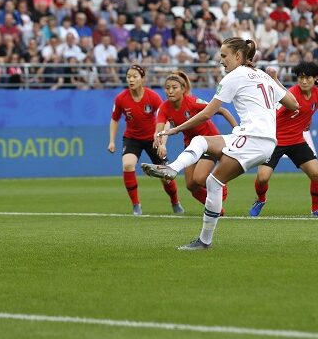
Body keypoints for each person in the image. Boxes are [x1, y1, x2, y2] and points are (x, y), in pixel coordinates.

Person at [141, 37, 298, 250]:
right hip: (260, 138)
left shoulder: (234, 76)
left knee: (214, 183)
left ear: (238, 56)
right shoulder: (261, 75)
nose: (221, 60)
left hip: (254, 138)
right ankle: (171, 168)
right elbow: (293, 104)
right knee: (200, 141)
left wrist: (176, 129)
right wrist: (274, 80)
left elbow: (207, 114)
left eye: (224, 56)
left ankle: (205, 241)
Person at [156, 71, 238, 215]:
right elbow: (160, 128)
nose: (170, 91)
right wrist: (161, 143)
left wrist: (237, 130)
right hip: (191, 144)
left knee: (199, 179)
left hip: (209, 142)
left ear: (183, 89)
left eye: (174, 87)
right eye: (167, 88)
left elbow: (223, 111)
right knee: (191, 186)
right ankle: (217, 209)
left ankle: (220, 183)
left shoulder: (193, 102)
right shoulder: (164, 107)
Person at [108, 64, 184, 216]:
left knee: (164, 174)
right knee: (128, 164)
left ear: (142, 79)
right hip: (132, 138)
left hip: (153, 138)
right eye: (128, 76)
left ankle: (175, 202)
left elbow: (166, 119)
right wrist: (112, 141)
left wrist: (162, 141)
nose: (131, 79)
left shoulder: (153, 97)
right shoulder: (121, 98)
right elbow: (114, 119)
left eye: (134, 76)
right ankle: (136, 205)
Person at [249, 62, 318, 218]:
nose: (304, 81)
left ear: (315, 78)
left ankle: (315, 208)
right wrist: (274, 79)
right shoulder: (291, 95)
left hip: (297, 142)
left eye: (308, 78)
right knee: (262, 178)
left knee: (316, 174)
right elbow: (273, 112)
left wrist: (308, 121)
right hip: (275, 142)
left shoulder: (316, 93)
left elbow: (310, 109)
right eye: (301, 78)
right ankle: (260, 200)